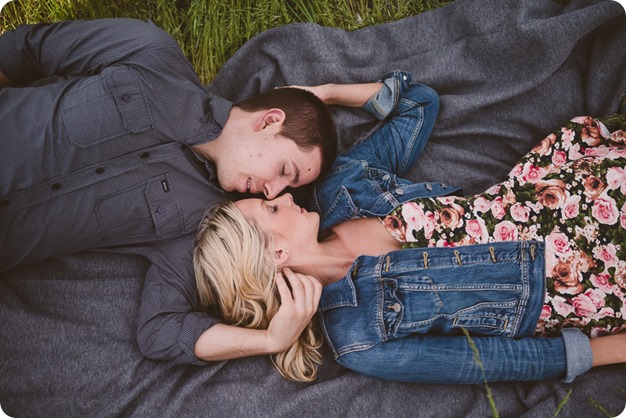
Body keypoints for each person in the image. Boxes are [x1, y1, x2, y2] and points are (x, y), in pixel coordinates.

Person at [193, 71, 626, 384]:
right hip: (580, 283)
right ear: (277, 254)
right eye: (269, 211)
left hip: (557, 198)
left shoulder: (342, 189)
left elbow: (418, 103)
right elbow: (491, 361)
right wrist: (609, 353)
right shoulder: (358, 337)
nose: (282, 196)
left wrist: (319, 96)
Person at [0, 18, 336, 362]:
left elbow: (161, 333)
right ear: (268, 121)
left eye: (288, 187)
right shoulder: (150, 53)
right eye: (284, 171)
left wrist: (270, 340)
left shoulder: (203, 224)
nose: (272, 192)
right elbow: (26, 49)